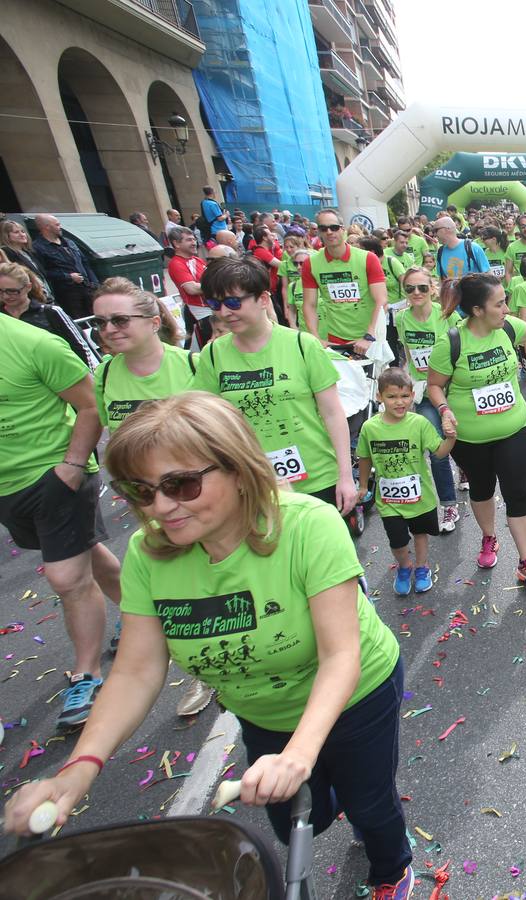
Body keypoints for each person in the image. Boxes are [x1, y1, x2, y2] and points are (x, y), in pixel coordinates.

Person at [0, 393, 413, 897]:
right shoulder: (147, 555)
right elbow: (135, 671)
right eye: (141, 491)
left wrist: (300, 754)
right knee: (298, 822)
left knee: (371, 805)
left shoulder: (309, 526)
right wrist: (77, 771)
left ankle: (392, 868)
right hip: (263, 712)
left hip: (356, 696)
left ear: (238, 469)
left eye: (181, 484)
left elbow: (340, 655)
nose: (160, 507)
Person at [89, 277, 213, 717]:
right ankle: (197, 664)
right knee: (171, 575)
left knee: (206, 570)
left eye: (120, 320)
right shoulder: (105, 373)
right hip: (145, 497)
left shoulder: (191, 365)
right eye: (101, 322)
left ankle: (209, 665)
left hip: (197, 493)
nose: (109, 329)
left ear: (153, 321)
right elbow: (107, 430)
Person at [0, 302, 120, 729]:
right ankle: (143, 614)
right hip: (7, 488)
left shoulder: (33, 343)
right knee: (86, 553)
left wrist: (71, 465)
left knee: (67, 577)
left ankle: (86, 675)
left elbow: (91, 405)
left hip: (52, 476)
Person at [425, 273, 526, 590]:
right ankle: (489, 537)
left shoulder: (507, 328)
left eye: (505, 302)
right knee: (481, 489)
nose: (506, 309)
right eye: (499, 304)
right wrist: (445, 410)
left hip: (513, 429)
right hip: (470, 438)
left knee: (518, 492)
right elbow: (434, 385)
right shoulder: (451, 343)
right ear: (477, 310)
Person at [193, 256, 357, 514]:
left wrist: (345, 476)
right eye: (215, 304)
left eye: (233, 302)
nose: (224, 312)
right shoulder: (212, 355)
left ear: (263, 299)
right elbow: (206, 421)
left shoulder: (303, 345)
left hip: (317, 479)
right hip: (253, 485)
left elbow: (332, 413)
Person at [358, 368, 453, 596]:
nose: (399, 402)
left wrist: (451, 437)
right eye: (391, 397)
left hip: (420, 498)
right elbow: (364, 457)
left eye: (404, 396)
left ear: (412, 395)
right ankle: (404, 566)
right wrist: (362, 485)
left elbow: (440, 452)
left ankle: (421, 567)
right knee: (397, 541)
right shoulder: (370, 428)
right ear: (379, 397)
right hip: (389, 502)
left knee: (420, 535)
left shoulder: (419, 423)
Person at [393, 266, 460, 533]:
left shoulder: (446, 314)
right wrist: (409, 387)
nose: (416, 293)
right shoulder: (401, 318)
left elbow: (462, 347)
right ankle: (449, 504)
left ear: (432, 289)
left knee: (460, 439)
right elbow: (408, 354)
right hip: (424, 389)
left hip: (453, 387)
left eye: (422, 287)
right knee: (436, 447)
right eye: (410, 288)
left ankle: (465, 469)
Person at [300, 209, 388, 356]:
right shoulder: (311, 263)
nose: (329, 232)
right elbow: (309, 304)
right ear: (319, 232)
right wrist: (315, 338)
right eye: (323, 228)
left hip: (369, 338)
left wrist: (369, 335)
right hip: (335, 341)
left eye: (334, 227)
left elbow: (382, 300)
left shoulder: (368, 258)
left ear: (342, 229)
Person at [0, 262, 100, 367]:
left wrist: (87, 374)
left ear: (28, 287)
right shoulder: (3, 316)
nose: (6, 296)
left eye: (12, 291)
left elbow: (81, 347)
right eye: (0, 291)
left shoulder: (51, 312)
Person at [31, 214, 99, 320]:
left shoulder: (69, 242)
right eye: (57, 225)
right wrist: (68, 276)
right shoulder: (37, 247)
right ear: (47, 227)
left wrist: (95, 283)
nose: (60, 227)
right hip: (67, 294)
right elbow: (43, 273)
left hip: (87, 288)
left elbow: (85, 263)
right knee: (80, 320)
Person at [2, 218, 50, 297]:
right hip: (29, 294)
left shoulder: (28, 252)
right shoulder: (6, 252)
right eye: (16, 232)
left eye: (23, 231)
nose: (22, 234)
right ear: (6, 235)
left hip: (45, 292)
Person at [504, 215, 526, 283]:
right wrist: (511, 287)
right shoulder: (512, 247)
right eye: (523, 226)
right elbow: (508, 272)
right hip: (519, 286)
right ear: (518, 228)